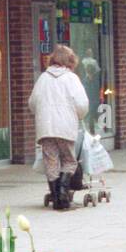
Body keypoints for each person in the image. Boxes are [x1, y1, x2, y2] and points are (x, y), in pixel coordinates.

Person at [29, 44, 88, 211]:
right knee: (70, 160)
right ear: (70, 61)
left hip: (45, 127)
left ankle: (56, 197)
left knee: (51, 161)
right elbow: (82, 104)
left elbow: (32, 103)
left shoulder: (43, 78)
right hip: (65, 127)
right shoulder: (71, 79)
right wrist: (79, 115)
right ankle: (63, 194)